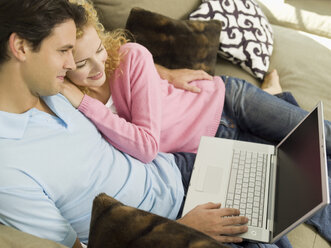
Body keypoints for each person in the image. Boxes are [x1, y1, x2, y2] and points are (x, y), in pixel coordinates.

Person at [0, 1, 330, 248]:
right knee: (284, 201)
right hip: (170, 219)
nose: (72, 64)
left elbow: (123, 59)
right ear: (21, 47)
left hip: (183, 162)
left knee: (294, 175)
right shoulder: (10, 169)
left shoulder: (53, 86)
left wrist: (168, 73)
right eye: (64, 52)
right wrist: (182, 228)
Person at [61, 0, 307, 165]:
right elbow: (146, 150)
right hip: (209, 149)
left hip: (224, 100)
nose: (98, 65)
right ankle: (274, 95)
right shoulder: (70, 103)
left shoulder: (129, 56)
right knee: (298, 168)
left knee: (316, 140)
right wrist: (83, 102)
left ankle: (271, 95)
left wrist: (83, 100)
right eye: (82, 63)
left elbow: (145, 142)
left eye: (100, 49)